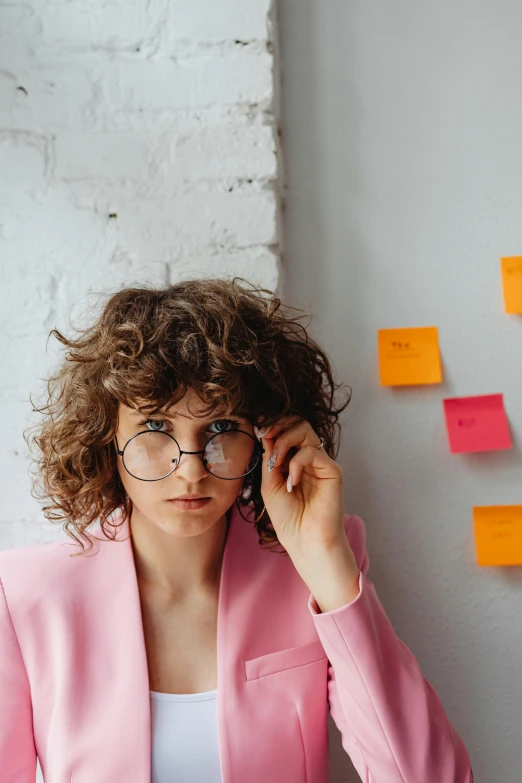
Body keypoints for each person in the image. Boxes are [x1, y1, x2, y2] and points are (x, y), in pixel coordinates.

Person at [0, 277, 473, 782]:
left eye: (222, 428)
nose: (190, 470)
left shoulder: (309, 572)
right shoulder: (26, 594)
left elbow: (429, 777)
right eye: (156, 429)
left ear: (264, 437)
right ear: (105, 437)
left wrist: (324, 559)